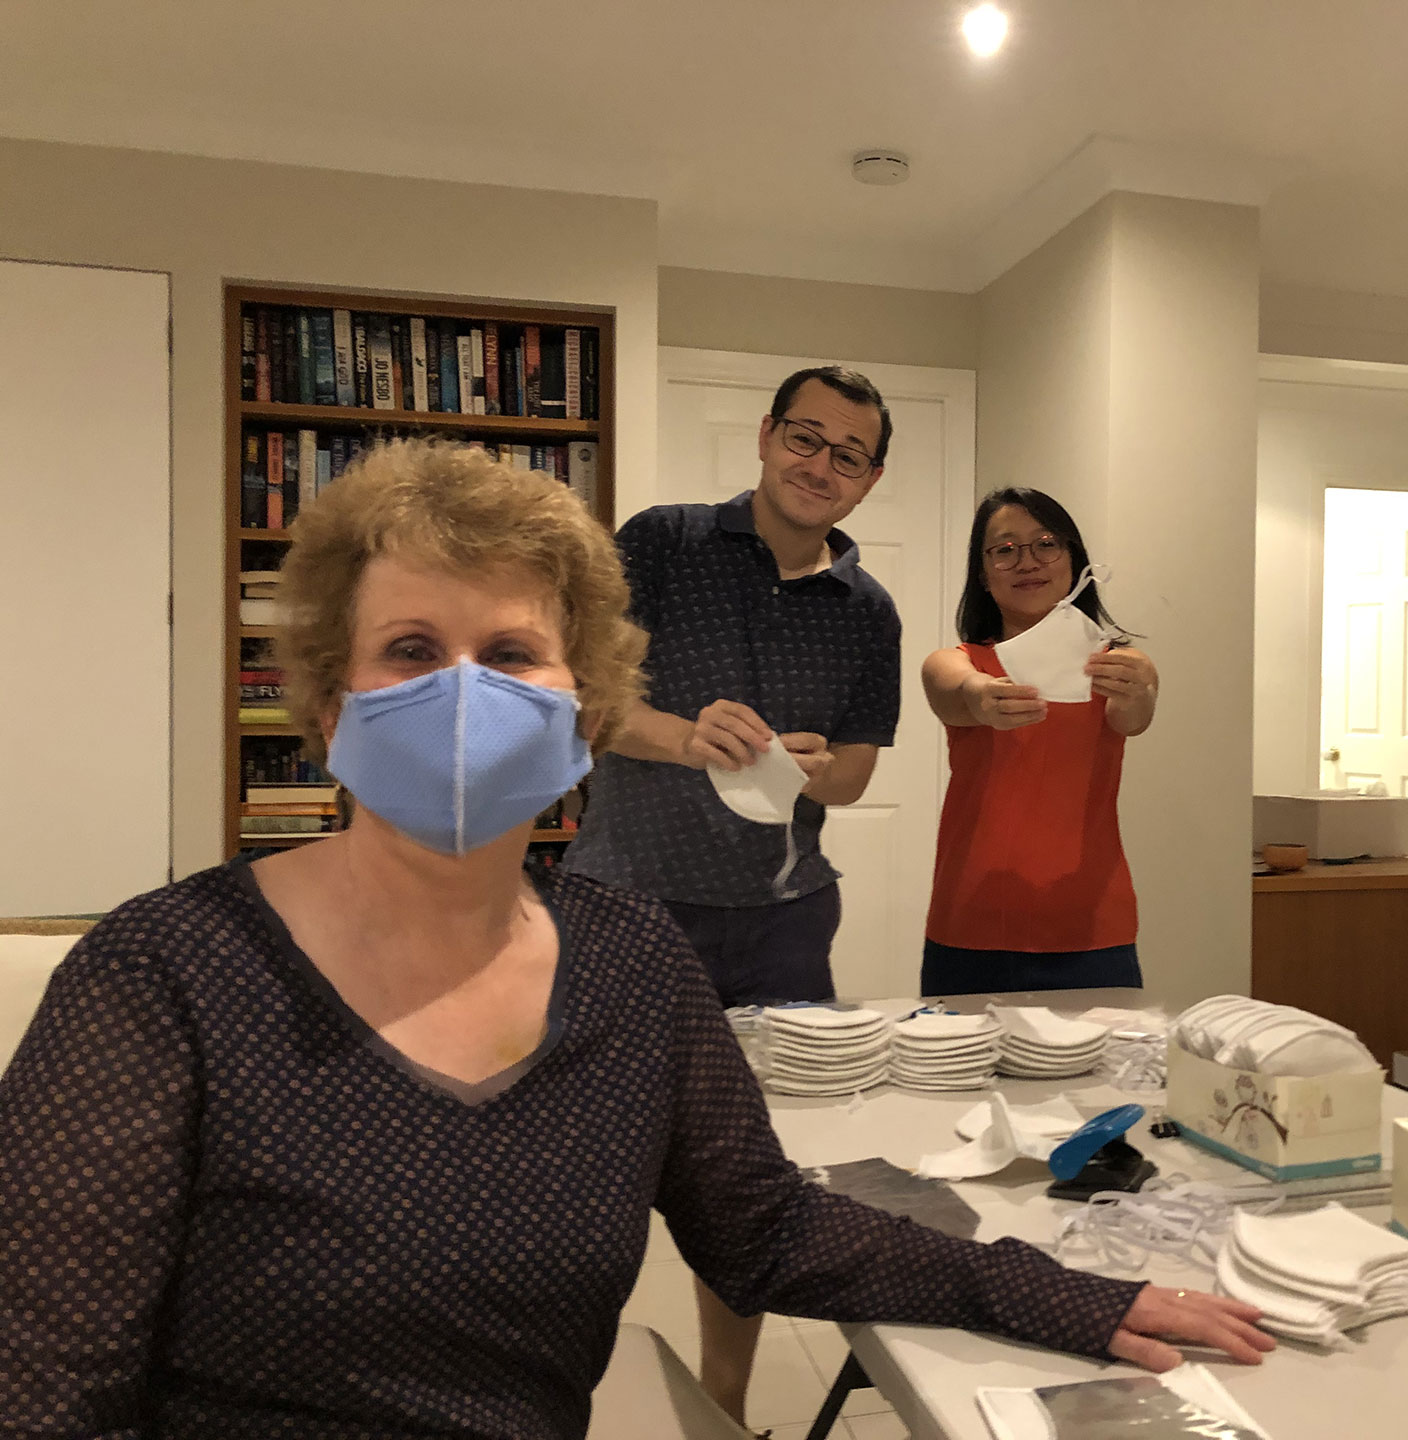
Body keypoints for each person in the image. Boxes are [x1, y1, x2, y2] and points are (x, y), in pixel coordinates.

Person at [0, 440, 1270, 1440]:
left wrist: (1076, 1297)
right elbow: (42, 1395)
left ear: (582, 712)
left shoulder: (629, 966)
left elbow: (772, 1232)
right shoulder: (163, 974)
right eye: (408, 651)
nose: (463, 691)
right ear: (329, 712)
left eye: (509, 654)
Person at [561, 365, 900, 1420]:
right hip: (627, 903)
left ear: (870, 480)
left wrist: (810, 768)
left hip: (783, 925)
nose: (821, 465)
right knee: (583, 1169)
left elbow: (856, 769)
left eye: (849, 454)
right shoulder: (662, 542)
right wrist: (688, 736)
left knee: (745, 1186)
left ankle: (724, 1401)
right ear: (765, 436)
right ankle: (555, 1386)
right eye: (807, 437)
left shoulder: (869, 612)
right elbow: (580, 697)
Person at [919, 487, 1159, 995]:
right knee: (960, 1074)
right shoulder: (959, 662)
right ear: (983, 575)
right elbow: (951, 688)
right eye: (1004, 549)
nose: (1026, 561)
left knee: (1104, 1077)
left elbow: (1132, 717)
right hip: (972, 925)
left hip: (1091, 924)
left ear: (1074, 561)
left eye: (1045, 544)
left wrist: (1141, 691)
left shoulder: (1116, 667)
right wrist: (983, 696)